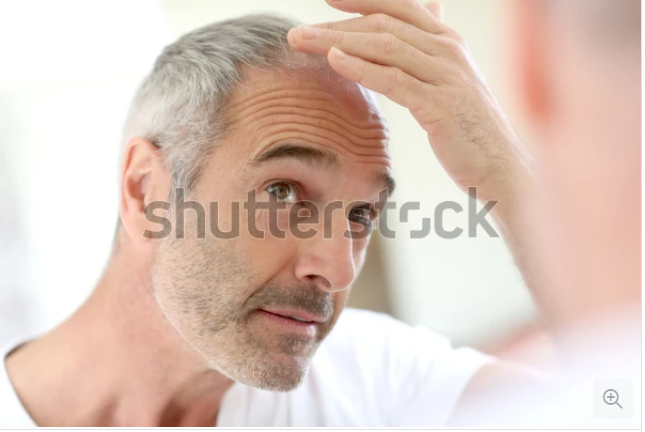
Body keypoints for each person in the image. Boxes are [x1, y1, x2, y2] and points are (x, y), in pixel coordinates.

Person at [0, 1, 559, 427]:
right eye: (284, 192)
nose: (338, 269)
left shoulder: (376, 379)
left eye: (360, 214)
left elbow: (605, 402)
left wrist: (504, 172)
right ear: (146, 192)